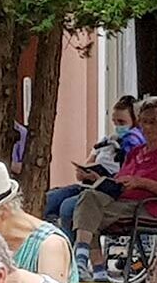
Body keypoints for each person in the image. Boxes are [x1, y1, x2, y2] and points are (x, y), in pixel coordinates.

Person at [71, 96, 157, 282]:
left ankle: (87, 265)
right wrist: (100, 179)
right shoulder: (136, 152)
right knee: (88, 199)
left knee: (88, 209)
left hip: (149, 207)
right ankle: (94, 269)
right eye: (143, 122)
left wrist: (142, 183)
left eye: (153, 122)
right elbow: (123, 179)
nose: (147, 127)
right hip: (122, 200)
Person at [45, 96, 140, 230]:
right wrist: (84, 173)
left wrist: (101, 179)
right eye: (115, 122)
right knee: (48, 200)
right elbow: (86, 167)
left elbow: (126, 178)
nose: (118, 127)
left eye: (122, 122)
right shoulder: (105, 142)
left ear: (134, 122)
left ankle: (72, 246)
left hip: (107, 190)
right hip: (87, 186)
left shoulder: (133, 144)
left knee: (68, 206)